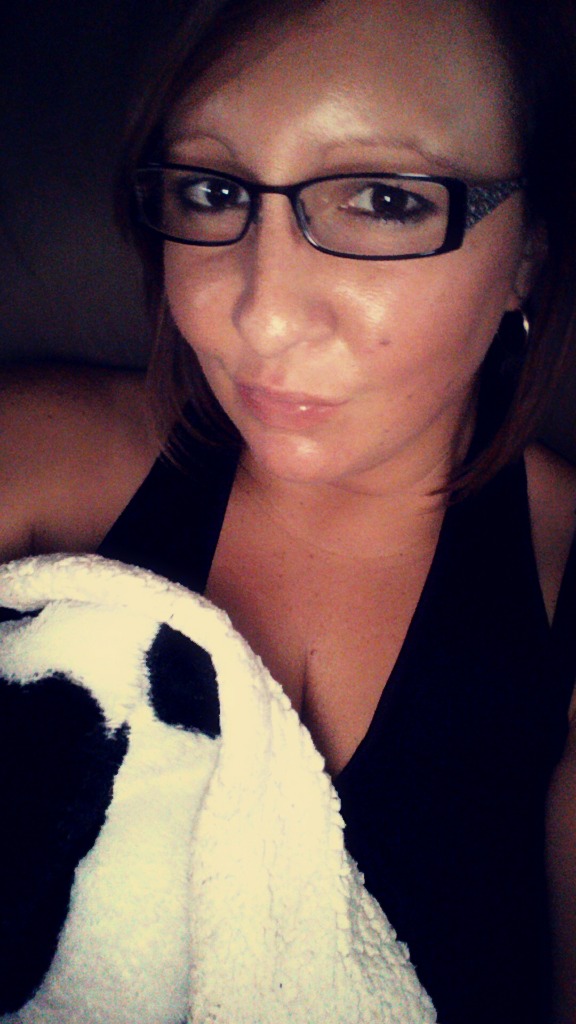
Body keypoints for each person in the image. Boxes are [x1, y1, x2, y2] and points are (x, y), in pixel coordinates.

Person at [0, 0, 575, 1020]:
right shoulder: (50, 453)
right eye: (213, 190)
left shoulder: (559, 571)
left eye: (385, 200)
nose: (261, 314)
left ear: (528, 252)